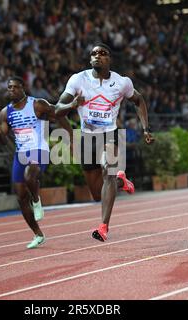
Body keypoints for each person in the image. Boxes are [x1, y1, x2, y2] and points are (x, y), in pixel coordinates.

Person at [55, 43, 154, 242]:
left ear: (110, 59)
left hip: (111, 134)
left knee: (108, 169)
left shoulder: (121, 82)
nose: (97, 56)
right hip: (87, 137)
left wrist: (145, 128)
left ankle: (103, 227)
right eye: (93, 53)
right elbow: (57, 110)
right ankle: (121, 181)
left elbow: (139, 100)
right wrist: (72, 104)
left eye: (103, 53)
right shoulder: (78, 79)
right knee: (96, 194)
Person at [0, 76, 55, 249]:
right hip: (21, 154)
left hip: (39, 149)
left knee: (29, 177)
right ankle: (38, 234)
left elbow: (56, 113)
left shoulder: (37, 104)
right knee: (20, 196)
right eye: (9, 87)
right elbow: (4, 141)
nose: (11, 90)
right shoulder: (5, 112)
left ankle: (37, 201)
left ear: (23, 87)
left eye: (14, 87)